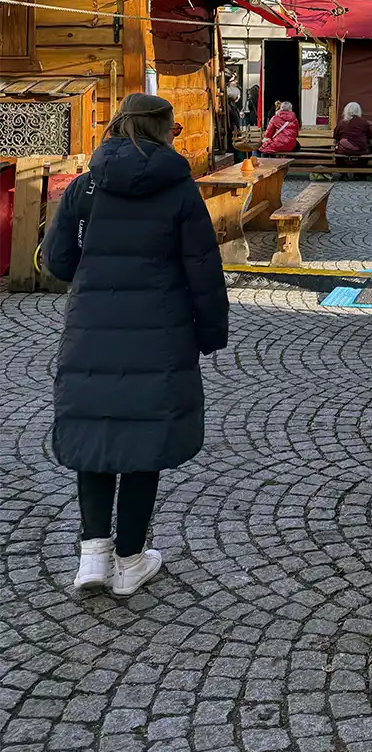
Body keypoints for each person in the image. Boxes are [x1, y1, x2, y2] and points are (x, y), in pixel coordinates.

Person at [42, 93, 229, 599]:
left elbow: (59, 263)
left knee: (95, 438)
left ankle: (92, 559)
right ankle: (129, 560)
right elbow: (203, 273)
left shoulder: (85, 188)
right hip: (159, 334)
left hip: (92, 330)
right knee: (144, 442)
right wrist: (211, 333)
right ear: (163, 130)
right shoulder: (180, 191)